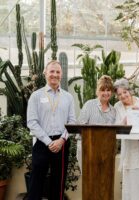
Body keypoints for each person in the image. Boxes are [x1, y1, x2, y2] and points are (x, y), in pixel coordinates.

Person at [27, 60, 76, 200]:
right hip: (42, 143)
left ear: (61, 74)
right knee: (36, 181)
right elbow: (32, 122)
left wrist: (61, 140)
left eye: (58, 72)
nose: (55, 74)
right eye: (52, 71)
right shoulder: (36, 96)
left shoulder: (68, 97)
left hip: (61, 144)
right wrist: (49, 142)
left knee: (58, 182)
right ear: (45, 73)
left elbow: (72, 122)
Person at [76, 75, 116, 171]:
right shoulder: (89, 105)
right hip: (87, 148)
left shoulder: (113, 111)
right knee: (88, 179)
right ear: (98, 91)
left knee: (102, 181)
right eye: (103, 90)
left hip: (104, 151)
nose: (106, 93)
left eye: (108, 90)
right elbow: (80, 127)